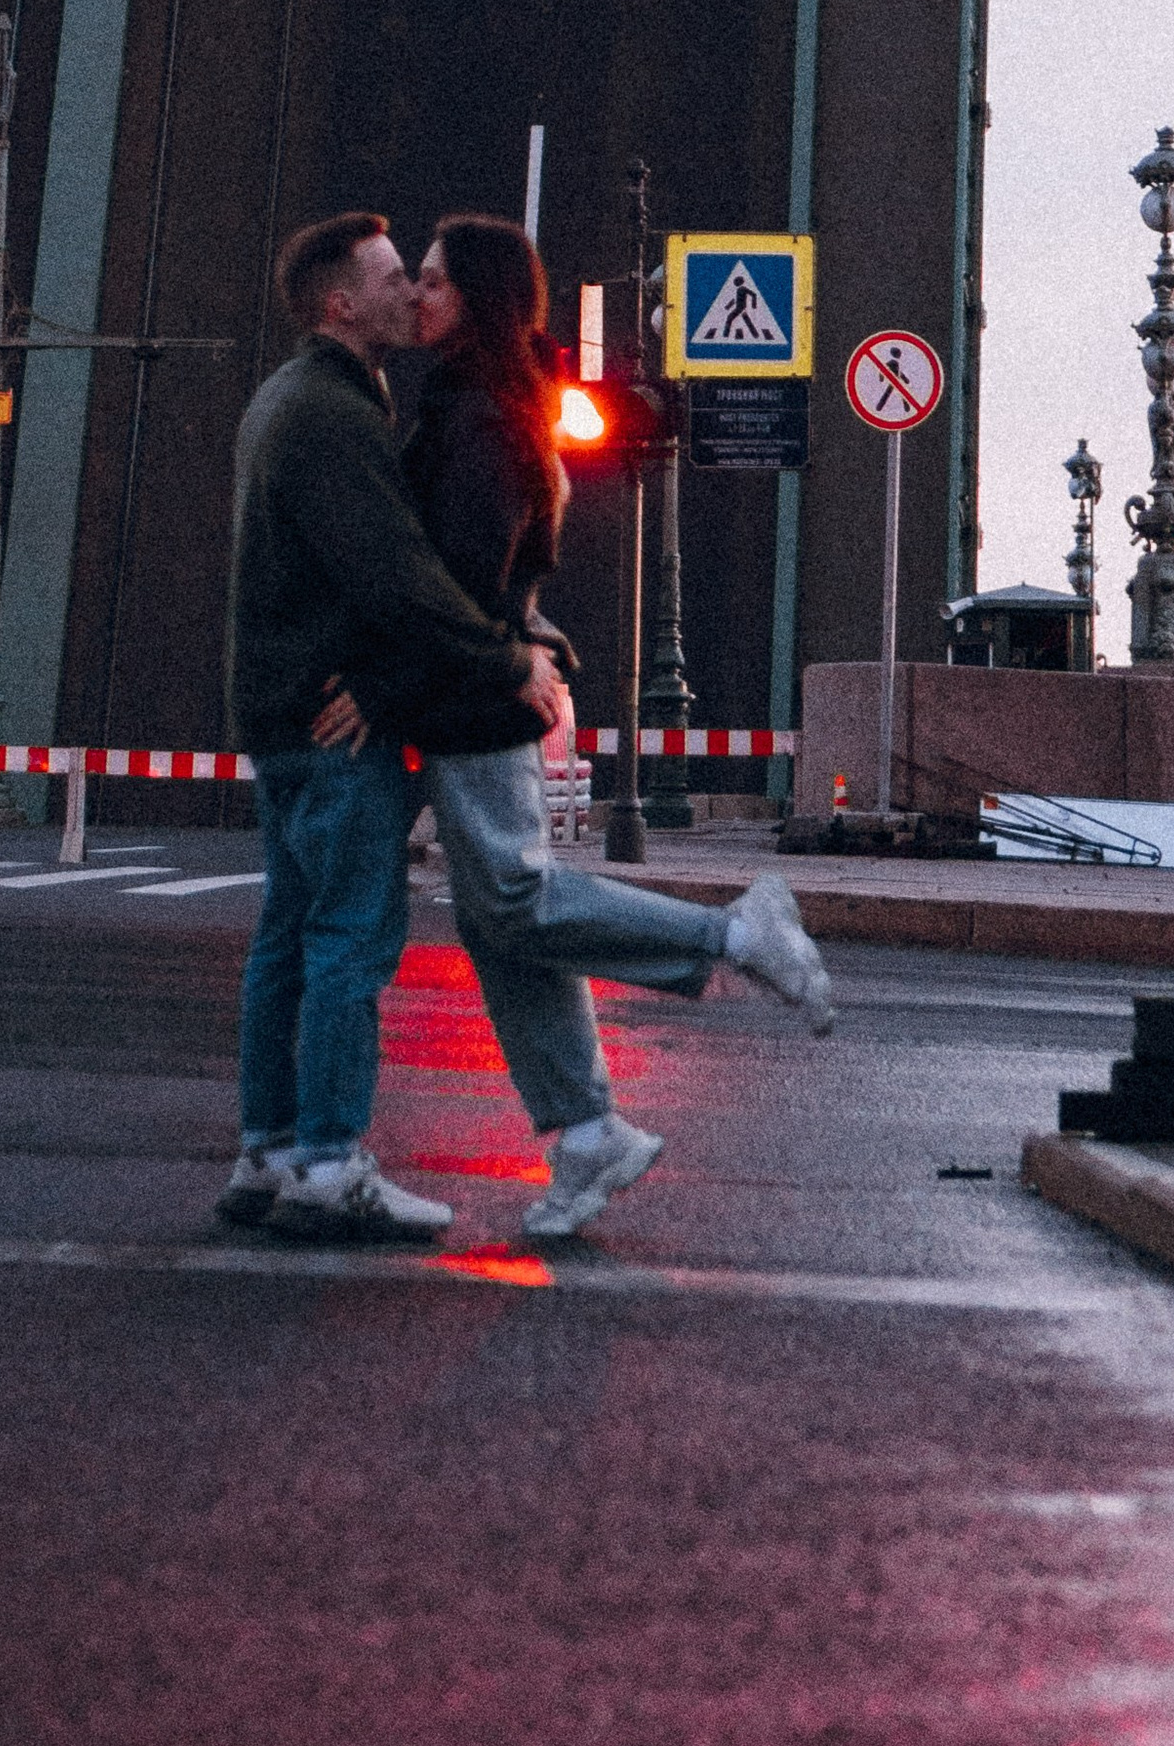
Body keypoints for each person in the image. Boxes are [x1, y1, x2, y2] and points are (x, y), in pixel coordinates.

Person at [355, 213, 834, 1240]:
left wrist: (467, 659)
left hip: (475, 699)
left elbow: (468, 581)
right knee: (497, 925)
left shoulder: (479, 416)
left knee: (517, 901)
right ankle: (584, 1133)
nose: (419, 296)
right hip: (466, 691)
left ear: (474, 299)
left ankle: (739, 934)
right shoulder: (476, 403)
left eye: (434, 283)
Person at [219, 211, 569, 1244]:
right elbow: (401, 579)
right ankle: (329, 1165)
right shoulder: (331, 413)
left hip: (285, 715)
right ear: (341, 304)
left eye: (421, 279)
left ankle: (268, 1151)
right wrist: (512, 661)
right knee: (347, 944)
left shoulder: (303, 397)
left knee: (286, 935)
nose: (409, 293)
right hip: (335, 727)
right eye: (390, 278)